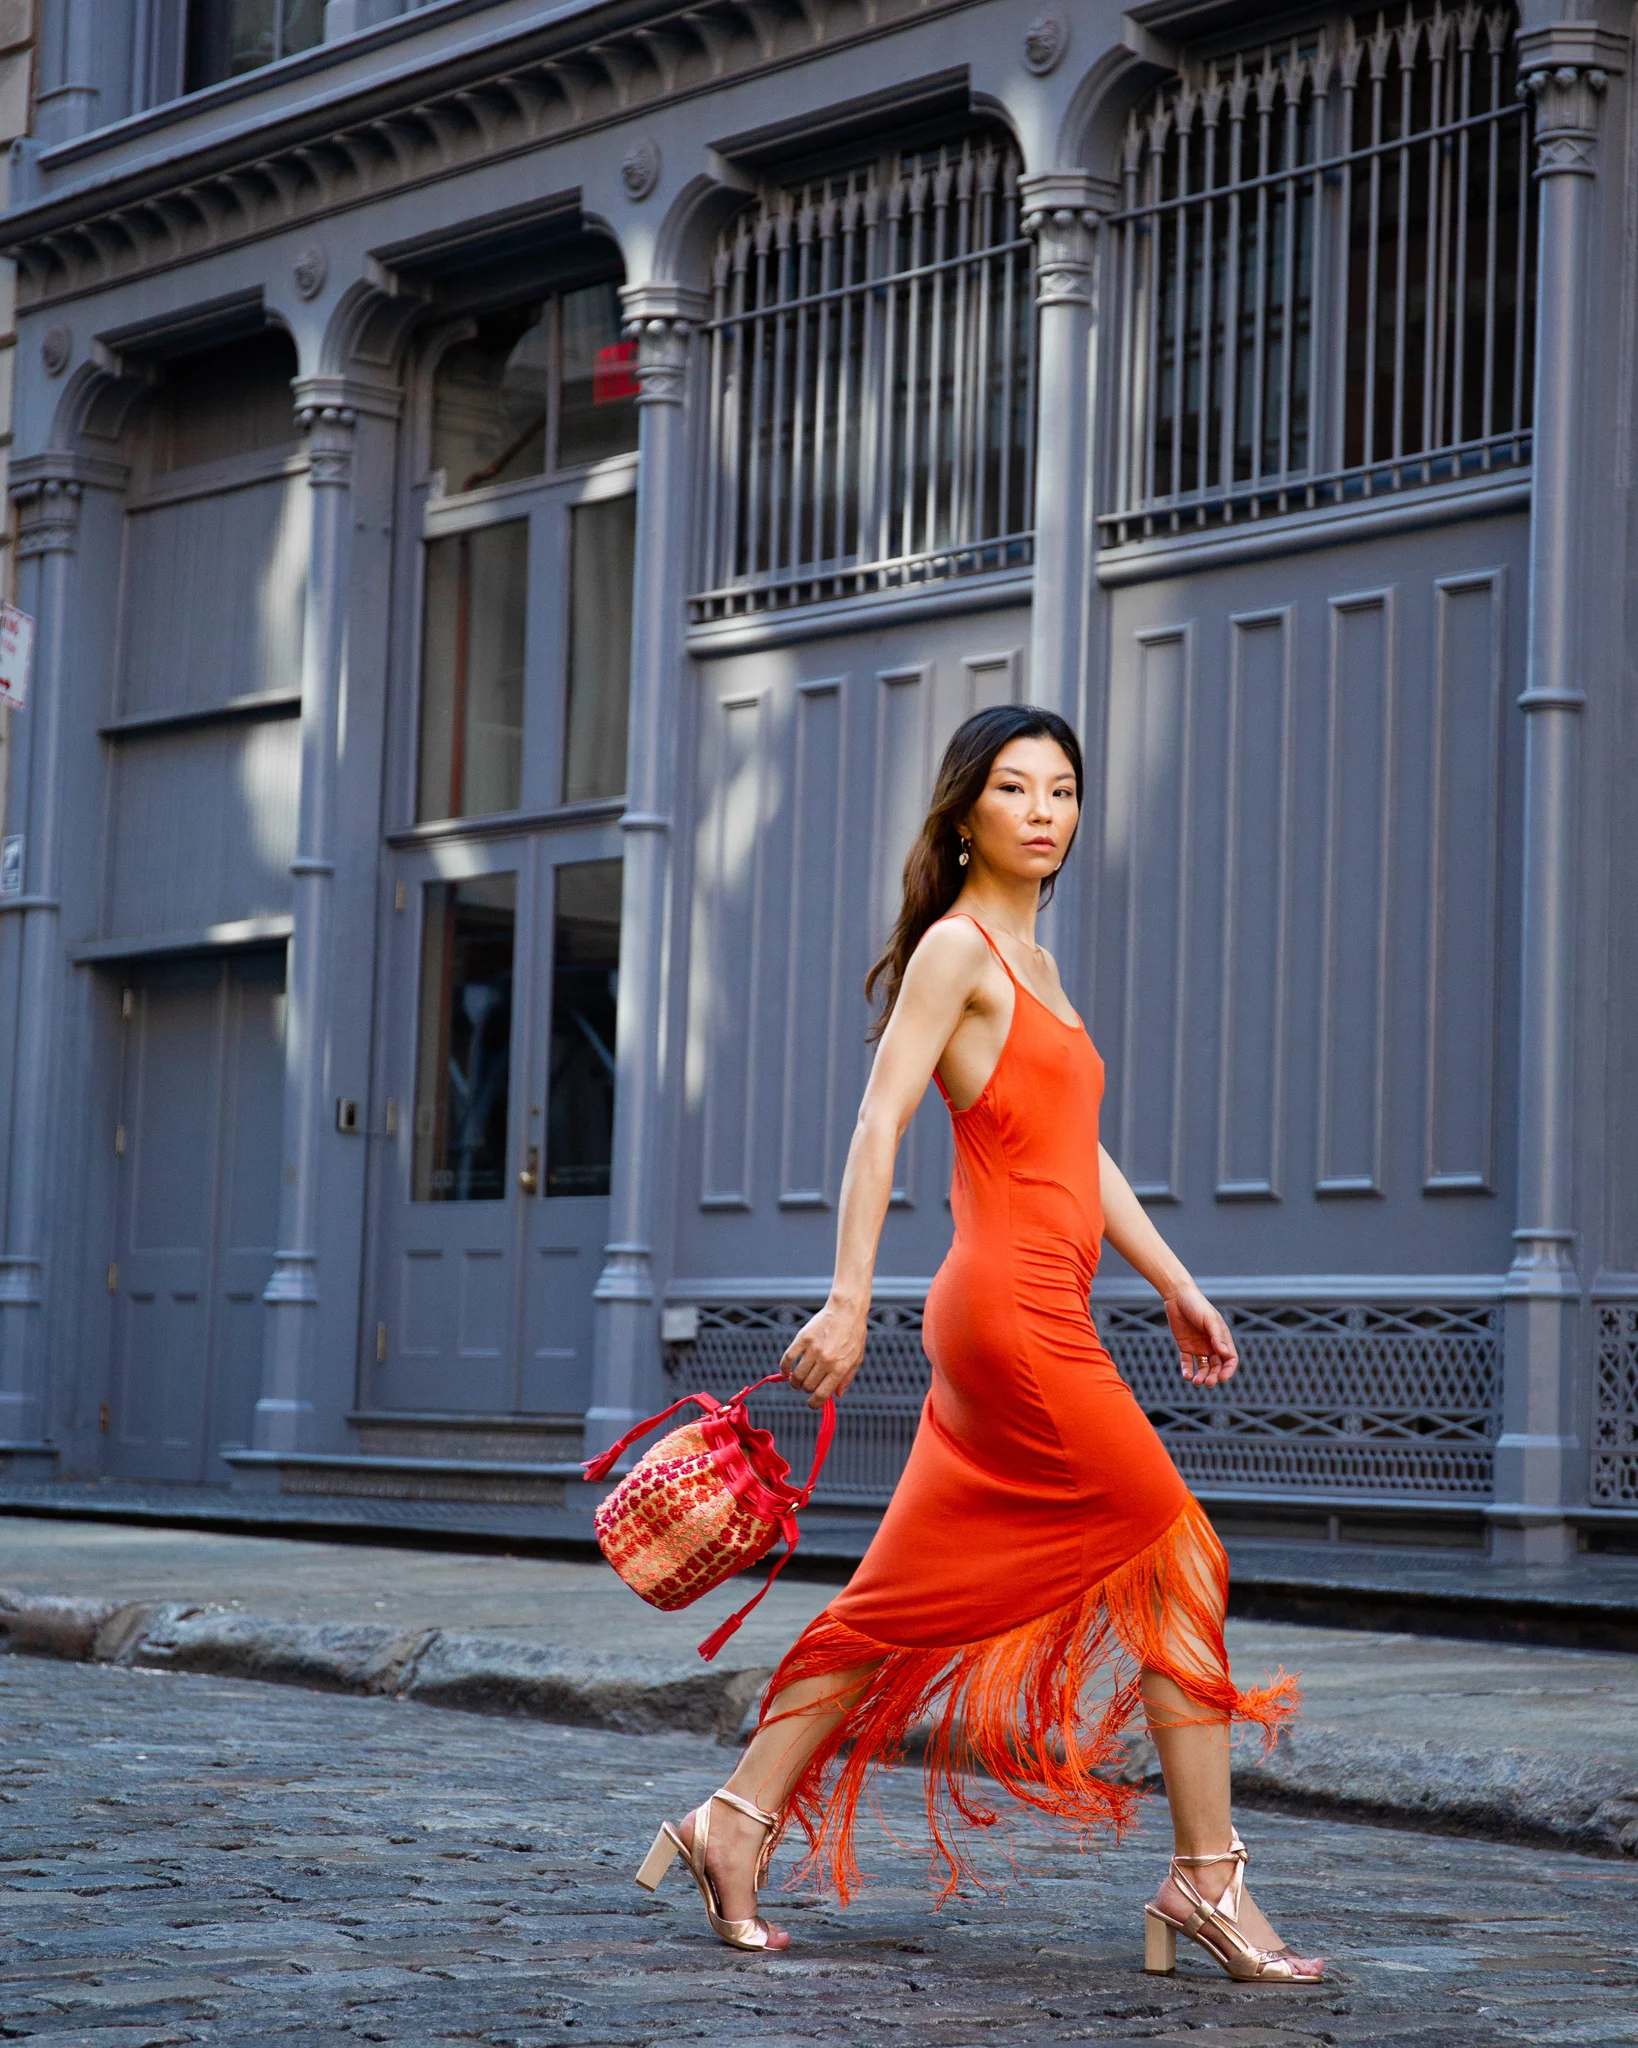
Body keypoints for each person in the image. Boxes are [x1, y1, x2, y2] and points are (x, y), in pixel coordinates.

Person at [636, 705, 1323, 1983]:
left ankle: (729, 1821)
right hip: (1013, 1317)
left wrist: (1173, 1278)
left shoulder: (1037, 963)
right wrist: (848, 1299)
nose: (1046, 810)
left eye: (1065, 788)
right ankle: (1208, 1875)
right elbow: (877, 1121)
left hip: (1024, 1309)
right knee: (1177, 1551)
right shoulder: (959, 949)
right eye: (1017, 788)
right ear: (966, 815)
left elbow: (1076, 1153)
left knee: (892, 1603)